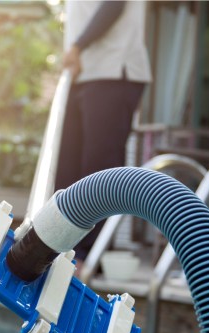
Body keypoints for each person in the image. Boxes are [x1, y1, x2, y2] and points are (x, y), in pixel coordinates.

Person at [55, 0, 152, 262]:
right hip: (82, 74)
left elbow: (114, 5)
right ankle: (61, 251)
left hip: (114, 70)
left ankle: (88, 257)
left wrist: (76, 46)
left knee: (97, 172)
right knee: (67, 170)